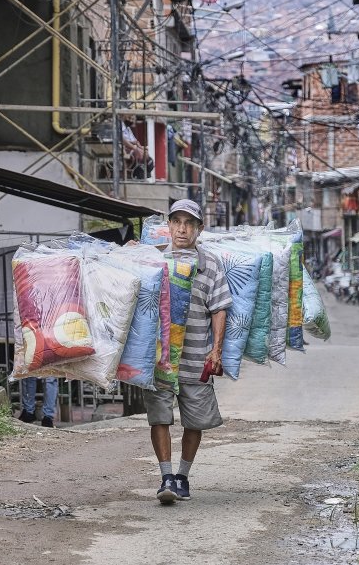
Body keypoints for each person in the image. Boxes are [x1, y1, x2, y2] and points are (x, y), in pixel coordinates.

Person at [143, 199, 232, 504]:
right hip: (161, 355)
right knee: (160, 417)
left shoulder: (209, 266)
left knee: (195, 420)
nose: (182, 228)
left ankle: (183, 476)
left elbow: (219, 308)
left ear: (199, 229)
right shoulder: (153, 261)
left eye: (188, 223)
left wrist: (216, 350)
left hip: (196, 355)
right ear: (168, 226)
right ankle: (166, 476)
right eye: (176, 222)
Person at [121, 114, 154, 179]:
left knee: (148, 157)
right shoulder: (120, 125)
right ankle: (138, 174)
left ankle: (146, 174)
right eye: (130, 118)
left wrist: (139, 146)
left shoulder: (128, 128)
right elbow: (121, 139)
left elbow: (134, 140)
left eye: (133, 119)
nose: (131, 121)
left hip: (132, 147)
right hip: (126, 147)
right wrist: (134, 146)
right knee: (141, 154)